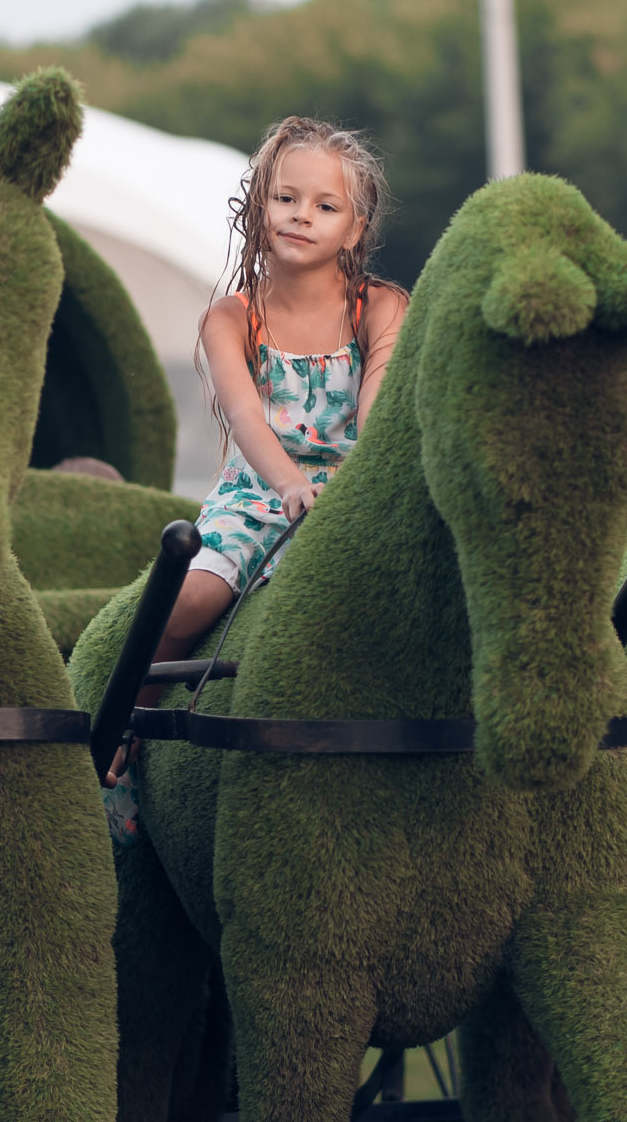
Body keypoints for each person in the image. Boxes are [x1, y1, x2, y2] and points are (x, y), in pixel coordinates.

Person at [106, 116, 407, 786]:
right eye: (286, 198)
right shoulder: (230, 318)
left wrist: (350, 492)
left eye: (325, 206)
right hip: (260, 493)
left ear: (354, 230)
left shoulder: (380, 308)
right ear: (259, 208)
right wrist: (292, 486)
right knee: (190, 598)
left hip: (351, 496)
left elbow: (378, 409)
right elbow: (246, 417)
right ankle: (130, 721)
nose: (302, 215)